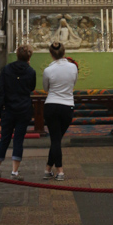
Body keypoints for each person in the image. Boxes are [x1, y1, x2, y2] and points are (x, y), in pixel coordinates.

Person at [0, 44, 36, 179]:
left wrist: (1, 108)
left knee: (4, 139)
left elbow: (1, 90)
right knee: (18, 140)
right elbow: (31, 88)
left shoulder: (6, 69)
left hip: (8, 109)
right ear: (29, 56)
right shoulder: (31, 72)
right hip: (23, 109)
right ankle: (14, 171)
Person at [42, 41, 78, 180]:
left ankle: (59, 171)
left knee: (55, 139)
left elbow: (46, 89)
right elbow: (74, 83)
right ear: (64, 52)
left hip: (51, 105)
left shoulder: (48, 70)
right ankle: (49, 169)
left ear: (51, 54)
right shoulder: (73, 67)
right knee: (56, 139)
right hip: (67, 106)